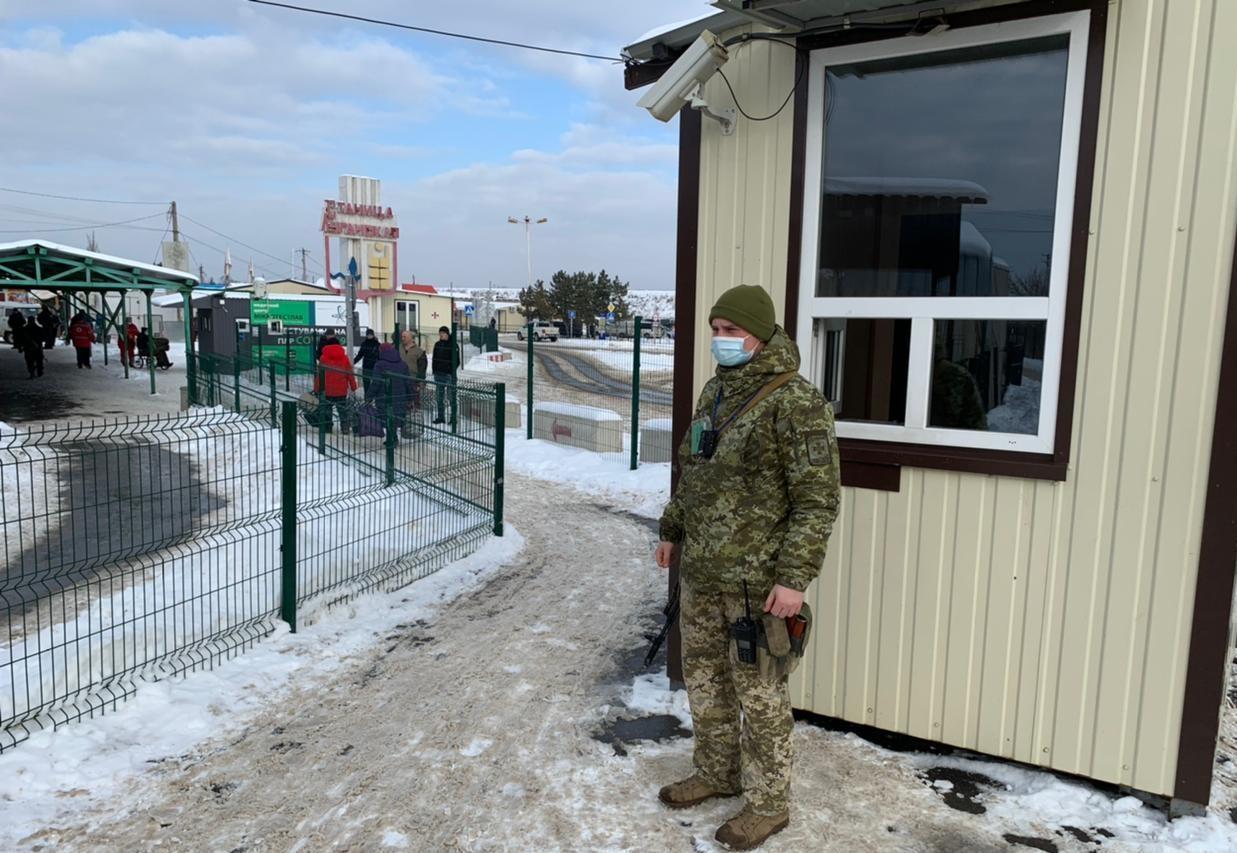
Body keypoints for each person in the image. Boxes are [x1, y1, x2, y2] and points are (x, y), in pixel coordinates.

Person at [654, 285, 840, 851]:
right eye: (715, 329)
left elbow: (817, 500)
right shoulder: (715, 391)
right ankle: (716, 772)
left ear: (760, 335)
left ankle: (768, 803)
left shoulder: (797, 403)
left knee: (760, 696)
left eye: (731, 331)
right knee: (705, 683)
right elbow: (696, 468)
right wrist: (672, 528)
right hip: (704, 577)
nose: (720, 340)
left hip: (757, 588)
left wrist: (793, 578)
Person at [313, 335, 357, 433]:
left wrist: (316, 388)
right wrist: (353, 386)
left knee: (327, 409)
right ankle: (345, 427)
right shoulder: (344, 358)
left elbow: (320, 375)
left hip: (327, 390)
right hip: (341, 389)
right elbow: (349, 373)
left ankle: (328, 427)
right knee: (342, 410)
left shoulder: (323, 358)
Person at [370, 342, 413, 438]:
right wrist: (410, 397)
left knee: (387, 417)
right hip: (400, 397)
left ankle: (391, 440)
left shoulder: (379, 365)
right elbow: (408, 382)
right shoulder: (403, 364)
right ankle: (393, 438)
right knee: (395, 417)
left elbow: (376, 383)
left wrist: (369, 396)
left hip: (384, 397)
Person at [431, 325, 456, 425]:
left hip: (449, 375)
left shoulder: (453, 345)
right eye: (440, 334)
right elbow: (434, 359)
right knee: (439, 397)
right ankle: (441, 417)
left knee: (451, 397)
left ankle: (453, 418)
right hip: (439, 375)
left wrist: (450, 370)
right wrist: (434, 370)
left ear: (447, 334)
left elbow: (456, 361)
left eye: (443, 334)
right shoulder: (437, 344)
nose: (441, 335)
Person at [398, 329, 428, 411]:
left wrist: (420, 380)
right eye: (402, 337)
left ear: (411, 338)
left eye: (405, 337)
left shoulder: (419, 351)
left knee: (414, 398)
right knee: (403, 400)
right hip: (400, 377)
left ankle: (416, 414)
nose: (403, 338)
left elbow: (422, 367)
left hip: (413, 378)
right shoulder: (398, 347)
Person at [354, 328, 381, 397]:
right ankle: (367, 400)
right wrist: (353, 362)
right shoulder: (366, 344)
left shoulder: (377, 345)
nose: (369, 336)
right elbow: (360, 355)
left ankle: (372, 399)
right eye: (368, 335)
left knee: (375, 384)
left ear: (373, 335)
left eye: (370, 335)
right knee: (367, 385)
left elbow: (380, 356)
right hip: (367, 366)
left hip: (374, 367)